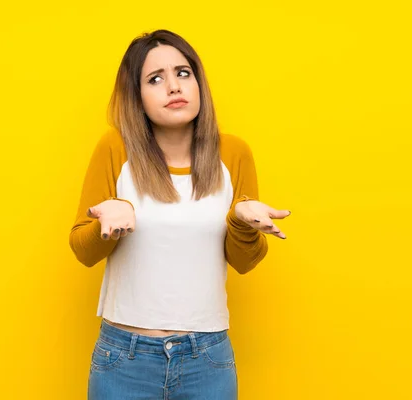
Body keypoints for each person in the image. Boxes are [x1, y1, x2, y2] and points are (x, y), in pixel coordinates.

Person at [69, 29, 291, 400]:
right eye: (155, 79)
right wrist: (107, 225)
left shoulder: (233, 153)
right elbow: (82, 250)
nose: (173, 87)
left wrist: (241, 223)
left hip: (207, 358)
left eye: (183, 73)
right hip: (126, 357)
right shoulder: (115, 148)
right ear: (137, 97)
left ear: (198, 82)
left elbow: (245, 262)